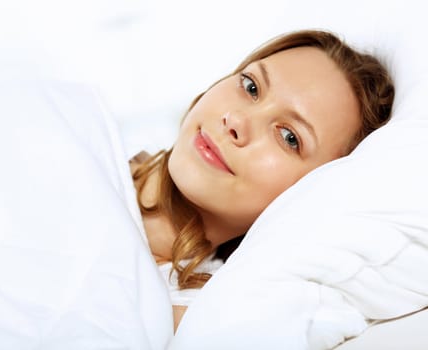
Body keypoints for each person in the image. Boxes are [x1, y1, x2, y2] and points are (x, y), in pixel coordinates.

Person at [130, 29, 395, 331]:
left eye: (289, 137)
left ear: (311, 192)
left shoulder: (197, 320)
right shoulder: (78, 135)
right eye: (251, 86)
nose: (237, 121)